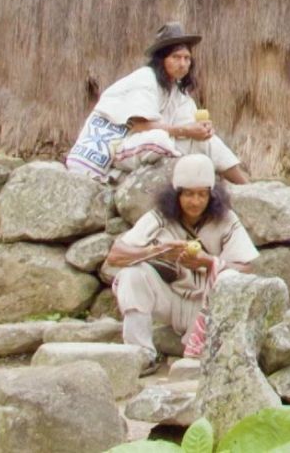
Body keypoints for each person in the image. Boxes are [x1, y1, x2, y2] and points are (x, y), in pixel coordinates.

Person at [106, 154, 258, 369]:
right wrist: (155, 251)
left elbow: (247, 267)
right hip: (170, 300)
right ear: (176, 195)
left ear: (211, 196)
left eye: (201, 195)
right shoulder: (159, 217)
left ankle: (206, 352)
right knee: (132, 275)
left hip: (207, 305)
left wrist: (209, 262)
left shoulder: (226, 220)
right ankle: (140, 355)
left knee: (230, 277)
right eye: (188, 194)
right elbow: (115, 255)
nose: (195, 202)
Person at [66, 23, 249, 185]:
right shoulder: (145, 79)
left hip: (145, 146)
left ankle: (246, 188)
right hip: (117, 146)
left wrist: (201, 130)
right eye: (176, 57)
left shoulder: (178, 92)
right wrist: (186, 131)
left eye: (187, 58)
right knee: (159, 140)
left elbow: (187, 126)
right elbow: (140, 126)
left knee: (207, 142)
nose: (183, 64)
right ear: (162, 60)